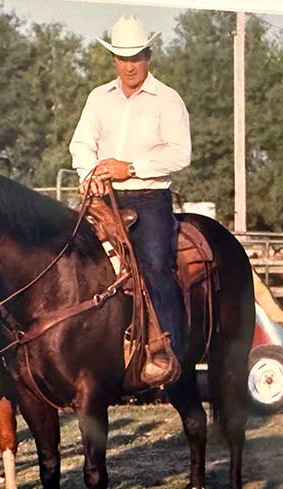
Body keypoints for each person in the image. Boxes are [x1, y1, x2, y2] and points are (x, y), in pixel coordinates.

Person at [69, 14, 191, 376]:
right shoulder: (98, 98)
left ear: (148, 57)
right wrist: (89, 174)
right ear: (114, 61)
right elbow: (81, 144)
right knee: (68, 260)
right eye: (123, 58)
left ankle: (168, 349)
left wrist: (130, 168)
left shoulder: (167, 99)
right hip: (102, 198)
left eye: (136, 56)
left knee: (155, 265)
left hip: (147, 198)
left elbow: (180, 153)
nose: (129, 65)